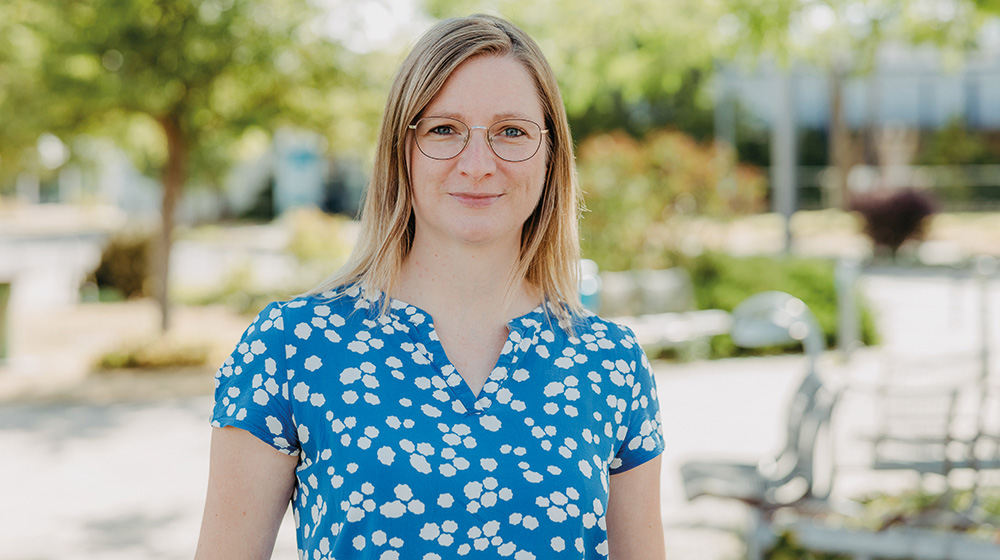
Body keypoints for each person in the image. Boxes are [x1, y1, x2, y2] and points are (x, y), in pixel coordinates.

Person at [195, 14, 665, 560]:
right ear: (403, 149)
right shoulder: (293, 346)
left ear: (552, 155)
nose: (478, 164)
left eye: (512, 131)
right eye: (445, 130)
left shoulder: (610, 362)